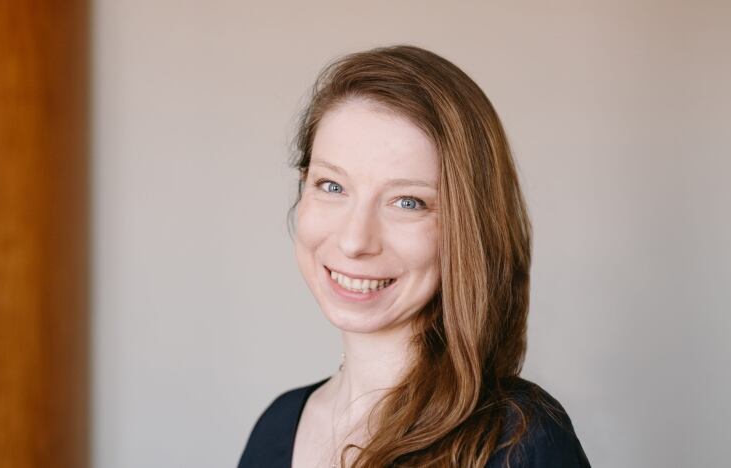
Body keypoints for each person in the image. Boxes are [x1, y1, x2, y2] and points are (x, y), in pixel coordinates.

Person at [237, 44, 590, 468]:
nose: (354, 241)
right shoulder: (277, 428)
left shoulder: (519, 440)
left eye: (408, 202)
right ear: (302, 186)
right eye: (332, 186)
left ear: (468, 228)